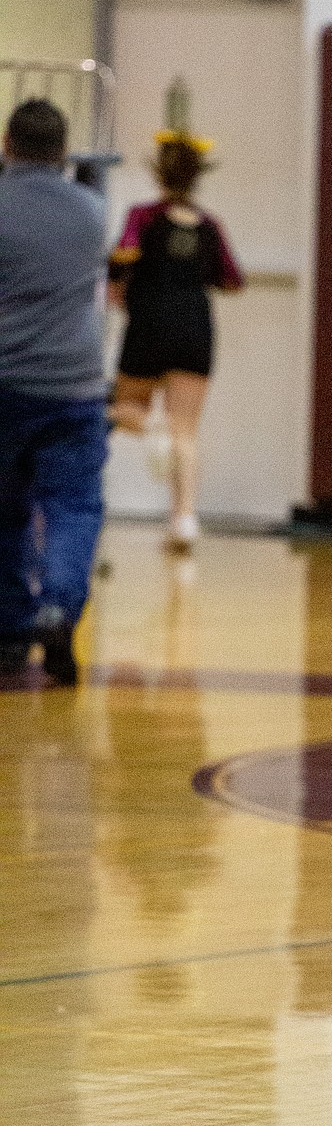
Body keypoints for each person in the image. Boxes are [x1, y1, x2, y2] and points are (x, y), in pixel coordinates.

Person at [0, 98, 109, 686]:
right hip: (74, 384)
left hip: (5, 381)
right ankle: (58, 607)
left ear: (7, 143)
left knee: (5, 514)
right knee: (73, 508)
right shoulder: (92, 211)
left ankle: (11, 631)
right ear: (63, 150)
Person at [108, 133, 243, 555]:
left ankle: (151, 426)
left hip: (148, 324)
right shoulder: (209, 225)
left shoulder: (142, 217)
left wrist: (121, 292)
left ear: (158, 172)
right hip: (195, 330)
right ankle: (184, 519)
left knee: (111, 407)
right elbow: (232, 280)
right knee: (187, 431)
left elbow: (120, 263)